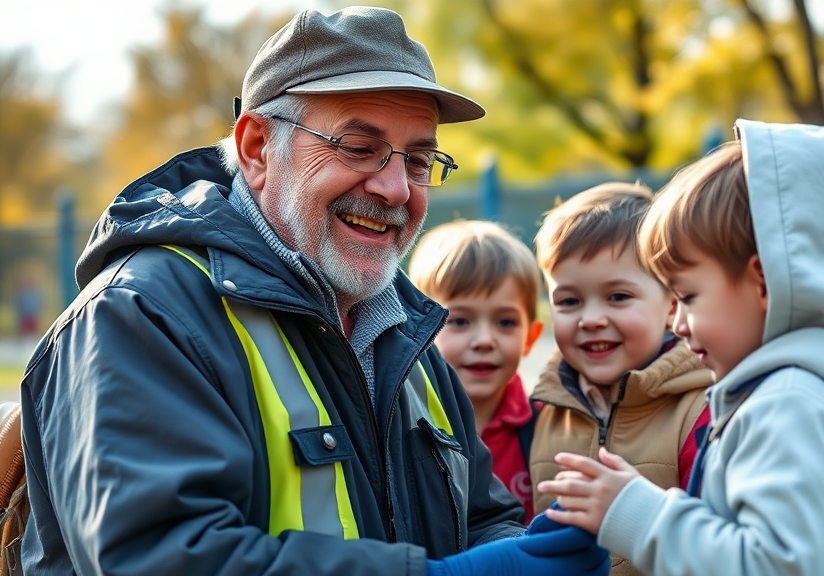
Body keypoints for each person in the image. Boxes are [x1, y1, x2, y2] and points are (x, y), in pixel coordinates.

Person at [19, 7, 608, 576]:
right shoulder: (142, 315)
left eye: (420, 159)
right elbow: (158, 556)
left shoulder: (406, 328)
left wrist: (524, 552)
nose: (396, 188)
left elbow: (479, 517)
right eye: (359, 147)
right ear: (255, 149)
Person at [537, 120, 824, 576]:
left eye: (688, 297)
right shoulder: (816, 395)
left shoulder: (793, 406)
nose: (677, 322)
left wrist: (636, 514)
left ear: (764, 281)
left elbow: (778, 566)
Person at [530, 183, 715, 576]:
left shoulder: (700, 409)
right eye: (568, 301)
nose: (592, 318)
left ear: (671, 303)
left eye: (617, 297)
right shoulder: (544, 410)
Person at [409, 220, 545, 522]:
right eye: (460, 321)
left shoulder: (548, 429)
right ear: (419, 330)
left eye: (506, 322)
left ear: (531, 337)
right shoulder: (404, 427)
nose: (484, 340)